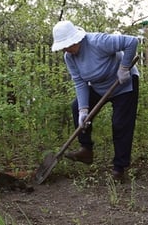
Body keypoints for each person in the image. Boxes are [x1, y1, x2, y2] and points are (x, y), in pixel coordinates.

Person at [51, 20, 139, 181]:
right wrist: (84, 110)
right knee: (76, 106)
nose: (65, 49)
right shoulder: (69, 57)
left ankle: (119, 168)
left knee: (120, 124)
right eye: (63, 46)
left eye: (67, 45)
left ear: (76, 39)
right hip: (100, 86)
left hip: (123, 83)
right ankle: (86, 150)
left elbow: (132, 41)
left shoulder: (98, 41)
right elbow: (79, 82)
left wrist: (124, 67)